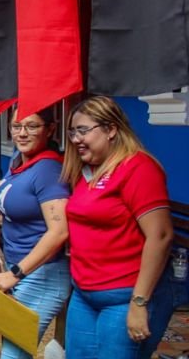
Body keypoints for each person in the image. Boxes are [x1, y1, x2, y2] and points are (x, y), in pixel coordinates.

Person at [61, 96, 174, 359]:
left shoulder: (138, 167)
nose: (76, 139)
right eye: (72, 132)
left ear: (111, 129)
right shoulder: (86, 170)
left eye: (83, 130)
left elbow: (161, 236)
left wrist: (139, 302)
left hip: (124, 296)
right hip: (84, 294)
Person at [0, 107, 71, 359]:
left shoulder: (48, 170)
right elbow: (10, 191)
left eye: (32, 126)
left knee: (13, 353)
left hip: (41, 273)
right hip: (22, 267)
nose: (22, 133)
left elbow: (59, 231)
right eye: (17, 126)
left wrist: (16, 274)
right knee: (13, 345)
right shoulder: (21, 161)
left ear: (49, 129)